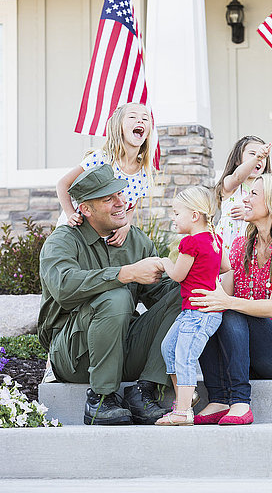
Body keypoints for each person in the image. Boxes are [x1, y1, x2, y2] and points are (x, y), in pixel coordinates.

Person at [38, 164, 182, 426]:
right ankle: (101, 398)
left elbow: (159, 296)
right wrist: (126, 273)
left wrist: (194, 270)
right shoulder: (62, 240)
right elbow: (63, 286)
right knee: (115, 296)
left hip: (125, 349)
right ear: (86, 209)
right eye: (109, 199)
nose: (121, 203)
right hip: (74, 357)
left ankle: (144, 390)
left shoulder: (136, 241)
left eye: (120, 194)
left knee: (184, 293)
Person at [190, 173, 272, 425]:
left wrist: (227, 302)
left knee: (232, 309)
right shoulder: (240, 246)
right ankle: (218, 398)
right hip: (248, 350)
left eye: (254, 194)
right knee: (206, 304)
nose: (245, 199)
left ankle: (239, 401)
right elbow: (222, 294)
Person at [155, 186, 231, 426]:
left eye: (177, 213)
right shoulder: (215, 240)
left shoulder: (190, 243)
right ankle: (186, 398)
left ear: (195, 215)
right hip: (195, 312)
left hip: (199, 313)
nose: (173, 218)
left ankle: (183, 412)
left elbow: (177, 275)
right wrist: (206, 274)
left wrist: (164, 261)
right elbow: (225, 267)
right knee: (169, 348)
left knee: (184, 357)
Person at [56, 102, 153, 247]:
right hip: (78, 231)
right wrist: (70, 214)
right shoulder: (102, 158)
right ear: (118, 128)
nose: (140, 121)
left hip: (105, 238)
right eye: (132, 117)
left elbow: (131, 205)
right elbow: (63, 184)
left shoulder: (144, 171)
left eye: (145, 119)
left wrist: (126, 225)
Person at [215, 136, 271, 254]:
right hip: (228, 243)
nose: (259, 158)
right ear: (237, 160)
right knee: (227, 271)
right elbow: (238, 177)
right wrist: (257, 158)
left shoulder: (266, 187)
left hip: (253, 242)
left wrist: (249, 213)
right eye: (252, 153)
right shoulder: (230, 183)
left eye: (263, 156)